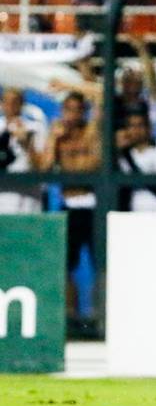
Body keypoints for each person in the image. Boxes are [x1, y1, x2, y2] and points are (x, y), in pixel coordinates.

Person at [48, 90, 102, 323]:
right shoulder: (58, 135)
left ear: (84, 111)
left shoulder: (92, 132)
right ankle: (69, 317)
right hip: (68, 204)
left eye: (78, 109)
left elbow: (100, 94)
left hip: (92, 205)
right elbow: (46, 166)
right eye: (68, 109)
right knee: (64, 266)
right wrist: (53, 139)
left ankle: (100, 317)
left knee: (101, 265)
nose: (73, 114)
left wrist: (67, 83)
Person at [0, 88, 50, 213]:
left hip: (28, 201)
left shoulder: (36, 128)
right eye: (6, 102)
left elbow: (42, 166)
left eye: (15, 102)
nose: (10, 106)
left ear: (22, 104)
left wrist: (27, 144)